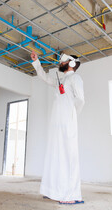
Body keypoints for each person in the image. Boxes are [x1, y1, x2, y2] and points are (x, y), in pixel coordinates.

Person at [30, 50, 85, 205]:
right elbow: (44, 77)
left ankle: (71, 195)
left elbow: (80, 100)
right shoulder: (61, 80)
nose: (60, 64)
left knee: (69, 156)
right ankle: (53, 190)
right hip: (57, 124)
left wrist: (71, 117)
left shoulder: (75, 78)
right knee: (55, 155)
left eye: (63, 62)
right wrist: (36, 63)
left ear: (71, 63)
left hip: (67, 123)